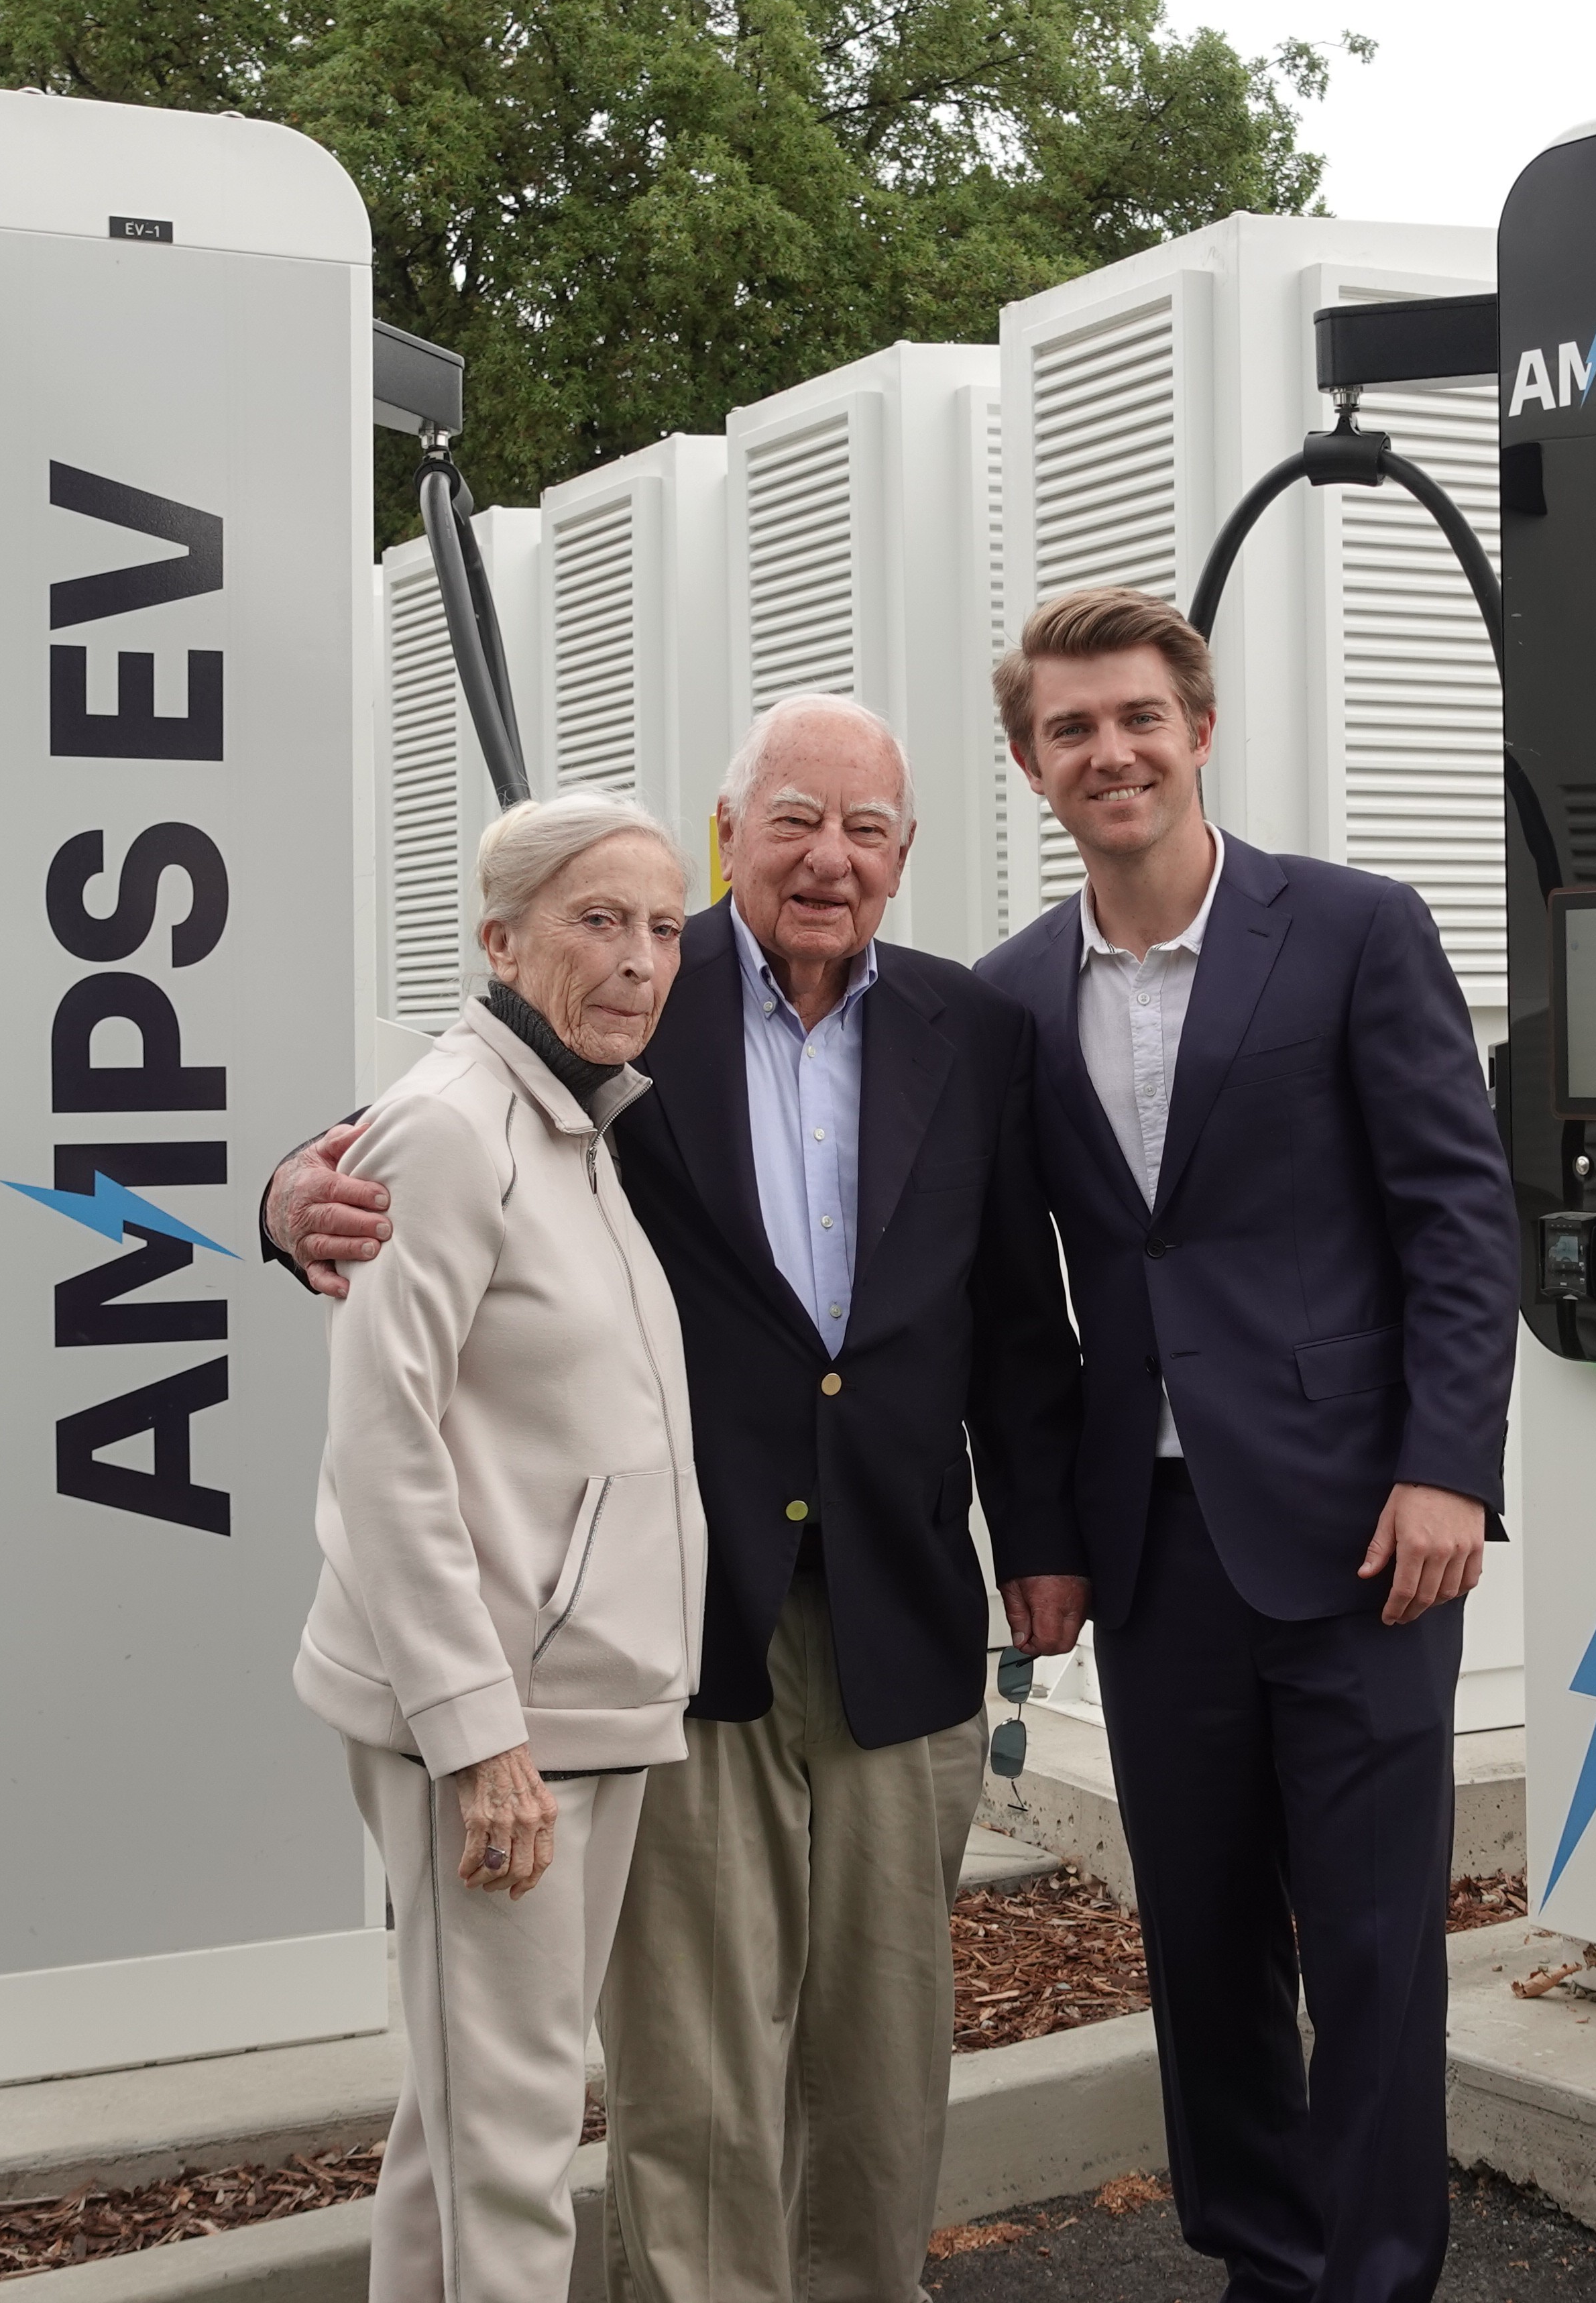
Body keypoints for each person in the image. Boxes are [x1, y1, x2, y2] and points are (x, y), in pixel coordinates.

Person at [264, 694, 1088, 2303]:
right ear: (729, 837)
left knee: (883, 2043)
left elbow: (1014, 1310)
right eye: (795, 820)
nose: (830, 858)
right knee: (694, 2061)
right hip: (681, 1616)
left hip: (903, 1598)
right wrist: (291, 1190)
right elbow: (437, 1120)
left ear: (905, 854)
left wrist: (1044, 1537)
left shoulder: (973, 1029)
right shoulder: (631, 982)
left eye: (867, 829)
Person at [976, 587, 1516, 2303]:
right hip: (1150, 1548)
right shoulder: (1008, 998)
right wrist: (1040, 1535)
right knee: (1202, 1943)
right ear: (1031, 765)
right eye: (1071, 729)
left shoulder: (1354, 929)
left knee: (1370, 1945)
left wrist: (1450, 1465)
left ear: (1198, 730)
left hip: (1365, 1527)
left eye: (1139, 716)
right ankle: (1266, 2267)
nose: (1110, 751)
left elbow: (1457, 1217)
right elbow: (1019, 1307)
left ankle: (1377, 2277)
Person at [294, 791, 707, 2303]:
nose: (640, 959)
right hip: (495, 1726)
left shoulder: (575, 1119)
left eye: (663, 927)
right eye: (599, 921)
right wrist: (479, 1737)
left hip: (578, 1704)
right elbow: (382, 1442)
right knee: (512, 2142)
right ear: (501, 941)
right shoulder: (454, 1128)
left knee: (469, 2118)